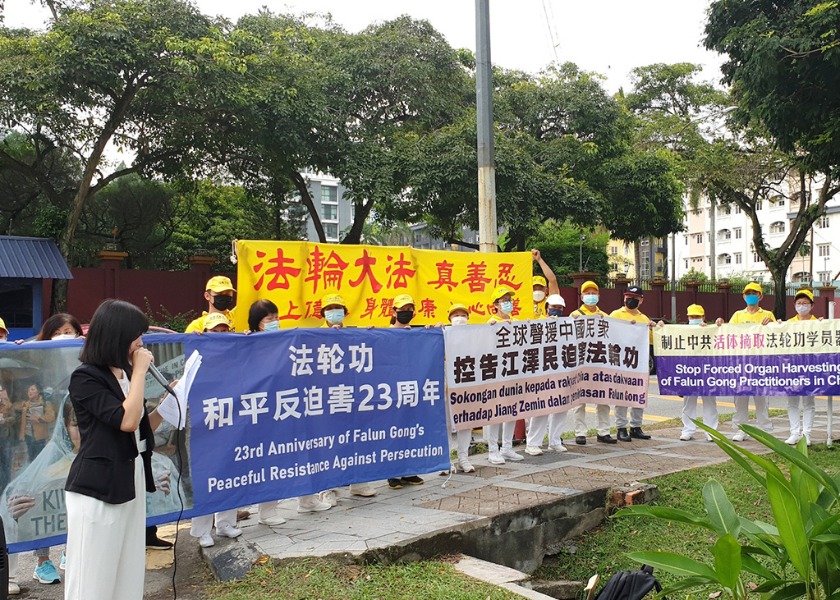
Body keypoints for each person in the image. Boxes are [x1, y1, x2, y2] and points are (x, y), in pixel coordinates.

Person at [63, 299, 172, 600]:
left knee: (127, 566)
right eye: (135, 336)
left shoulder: (124, 374)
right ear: (116, 336)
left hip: (130, 472)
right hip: (97, 485)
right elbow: (124, 420)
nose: (140, 343)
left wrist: (167, 408)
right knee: (93, 573)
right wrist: (138, 373)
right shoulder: (87, 377)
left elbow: (138, 425)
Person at [189, 312, 249, 546]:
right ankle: (201, 530)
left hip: (231, 420)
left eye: (225, 331)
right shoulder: (196, 355)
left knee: (230, 472)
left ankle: (225, 524)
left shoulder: (235, 353)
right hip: (205, 423)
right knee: (206, 476)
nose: (221, 336)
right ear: (205, 333)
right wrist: (195, 343)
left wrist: (248, 340)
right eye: (215, 331)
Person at [319, 294, 381, 493]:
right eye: (330, 308)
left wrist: (372, 337)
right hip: (328, 398)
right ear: (323, 313)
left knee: (358, 440)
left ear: (346, 313)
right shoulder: (313, 335)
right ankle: (330, 490)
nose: (334, 312)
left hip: (353, 396)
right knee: (330, 446)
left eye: (338, 308)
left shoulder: (353, 334)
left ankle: (359, 483)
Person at [714, 282, 776, 441]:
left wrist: (771, 325)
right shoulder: (737, 315)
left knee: (761, 398)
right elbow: (728, 334)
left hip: (760, 363)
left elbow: (776, 335)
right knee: (740, 399)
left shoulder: (767, 314)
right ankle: (741, 429)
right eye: (748, 293)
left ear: (760, 296)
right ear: (743, 296)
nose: (751, 296)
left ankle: (765, 430)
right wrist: (721, 323)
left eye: (754, 293)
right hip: (741, 363)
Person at [386, 294, 425, 489]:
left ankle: (408, 470)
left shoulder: (417, 334)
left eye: (409, 309)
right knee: (394, 430)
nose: (406, 313)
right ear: (394, 312)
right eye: (402, 310)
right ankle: (392, 473)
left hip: (412, 389)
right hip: (391, 391)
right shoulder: (385, 334)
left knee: (411, 430)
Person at [569, 281, 614, 445]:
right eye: (587, 293)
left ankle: (604, 431)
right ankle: (580, 433)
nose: (591, 296)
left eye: (593, 293)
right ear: (581, 296)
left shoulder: (605, 316)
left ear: (599, 296)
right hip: (580, 363)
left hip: (599, 362)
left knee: (603, 399)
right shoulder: (574, 315)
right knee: (580, 401)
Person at [484, 287, 525, 465]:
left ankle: (507, 448)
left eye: (509, 299)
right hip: (497, 373)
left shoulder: (516, 321)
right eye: (504, 300)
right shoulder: (491, 323)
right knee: (496, 412)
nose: (508, 302)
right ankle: (493, 450)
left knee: (511, 410)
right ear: (495, 305)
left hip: (514, 371)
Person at [525, 294, 568, 455]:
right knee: (541, 407)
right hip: (542, 371)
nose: (556, 311)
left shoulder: (566, 325)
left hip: (561, 370)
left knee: (561, 407)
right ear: (546, 307)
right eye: (553, 307)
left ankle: (555, 441)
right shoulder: (537, 323)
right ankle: (533, 443)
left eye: (559, 308)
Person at [609, 286, 653, 442]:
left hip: (640, 362)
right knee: (621, 395)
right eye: (628, 296)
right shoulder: (615, 314)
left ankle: (636, 427)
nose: (630, 300)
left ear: (641, 300)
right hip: (621, 361)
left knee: (639, 393)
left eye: (634, 297)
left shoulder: (644, 319)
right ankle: (621, 427)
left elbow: (651, 341)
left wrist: (654, 327)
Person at [677, 304, 719, 441]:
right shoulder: (682, 331)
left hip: (707, 371)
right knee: (689, 402)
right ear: (688, 317)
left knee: (709, 402)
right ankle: (688, 430)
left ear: (703, 317)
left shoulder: (711, 330)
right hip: (689, 370)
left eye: (697, 316)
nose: (694, 319)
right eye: (692, 316)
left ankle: (711, 431)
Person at [784, 289, 819, 445]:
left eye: (805, 303)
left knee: (808, 402)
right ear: (794, 305)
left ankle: (806, 434)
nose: (802, 306)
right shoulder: (788, 324)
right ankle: (794, 432)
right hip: (793, 367)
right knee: (792, 401)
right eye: (799, 303)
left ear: (811, 305)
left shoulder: (818, 323)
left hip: (810, 367)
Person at [444, 304, 476, 472]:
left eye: (463, 314)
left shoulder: (475, 335)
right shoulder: (443, 334)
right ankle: (446, 460)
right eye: (455, 314)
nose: (459, 317)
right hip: (447, 387)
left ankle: (463, 458)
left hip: (467, 385)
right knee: (447, 425)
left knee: (466, 422)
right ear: (449, 319)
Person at [531, 249, 560, 319]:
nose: (537, 291)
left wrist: (539, 260)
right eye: (534, 288)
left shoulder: (550, 302)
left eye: (540, 288)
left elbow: (552, 280)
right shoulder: (525, 302)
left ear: (546, 290)